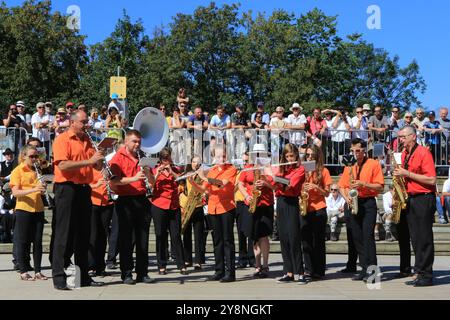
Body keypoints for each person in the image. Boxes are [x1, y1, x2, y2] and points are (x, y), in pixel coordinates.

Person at [51, 110, 105, 290]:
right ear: (72, 122)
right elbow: (63, 165)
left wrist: (99, 159)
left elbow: (94, 164)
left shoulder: (87, 140)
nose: (86, 124)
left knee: (84, 234)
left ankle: (83, 278)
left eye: (87, 121)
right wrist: (90, 161)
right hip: (66, 188)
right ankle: (59, 278)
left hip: (83, 188)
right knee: (63, 233)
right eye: (83, 121)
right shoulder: (62, 139)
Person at [109, 130, 154, 285]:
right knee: (126, 239)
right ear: (126, 141)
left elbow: (153, 183)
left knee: (143, 238)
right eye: (134, 141)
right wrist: (134, 178)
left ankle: (143, 272)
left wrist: (148, 173)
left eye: (139, 142)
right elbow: (113, 181)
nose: (137, 145)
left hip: (142, 199)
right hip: (125, 200)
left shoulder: (142, 157)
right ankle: (126, 273)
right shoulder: (117, 158)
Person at [394, 125, 436, 287]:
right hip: (410, 198)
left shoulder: (423, 153)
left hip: (424, 198)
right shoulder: (405, 153)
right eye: (400, 137)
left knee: (424, 237)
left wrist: (407, 174)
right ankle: (419, 270)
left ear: (413, 136)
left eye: (403, 137)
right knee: (416, 238)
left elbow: (432, 180)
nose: (401, 140)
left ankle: (427, 274)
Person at [189, 144, 237, 282]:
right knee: (217, 241)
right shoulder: (212, 170)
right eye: (218, 156)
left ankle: (230, 273)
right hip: (213, 208)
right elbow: (204, 190)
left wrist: (203, 177)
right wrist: (193, 182)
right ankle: (219, 271)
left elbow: (221, 183)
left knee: (228, 240)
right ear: (213, 157)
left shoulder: (231, 169)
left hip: (226, 207)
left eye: (223, 156)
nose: (221, 158)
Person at [338, 138, 384, 282]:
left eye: (358, 150)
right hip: (353, 203)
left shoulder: (373, 164)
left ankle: (373, 273)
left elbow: (380, 186)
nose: (355, 153)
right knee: (357, 238)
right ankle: (364, 269)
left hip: (368, 202)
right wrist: (347, 198)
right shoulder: (349, 165)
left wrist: (363, 184)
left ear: (364, 150)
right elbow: (341, 186)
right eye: (352, 150)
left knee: (368, 237)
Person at [10, 146, 47, 281]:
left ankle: (38, 270)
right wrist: (34, 189)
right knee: (23, 241)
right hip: (23, 209)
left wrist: (42, 189)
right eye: (31, 156)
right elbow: (15, 193)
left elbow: (39, 189)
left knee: (38, 241)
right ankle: (24, 271)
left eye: (36, 156)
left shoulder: (37, 170)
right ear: (23, 156)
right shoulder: (17, 171)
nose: (34, 159)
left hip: (38, 208)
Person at [238, 144, 275, 279]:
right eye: (256, 154)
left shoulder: (268, 168)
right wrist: (246, 195)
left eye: (260, 154)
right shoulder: (247, 168)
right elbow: (240, 184)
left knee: (264, 236)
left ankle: (265, 265)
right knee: (254, 237)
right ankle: (257, 265)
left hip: (265, 204)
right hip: (251, 203)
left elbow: (275, 186)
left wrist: (265, 183)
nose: (258, 157)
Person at [150, 148, 188, 275]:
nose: (167, 161)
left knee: (176, 235)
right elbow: (149, 185)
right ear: (160, 160)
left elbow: (182, 182)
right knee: (160, 235)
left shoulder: (176, 170)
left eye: (169, 159)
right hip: (159, 205)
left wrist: (172, 172)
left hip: (173, 206)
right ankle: (162, 264)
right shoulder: (155, 170)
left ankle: (181, 264)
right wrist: (157, 174)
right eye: (165, 159)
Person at [273, 143, 307, 284]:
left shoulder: (300, 169)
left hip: (292, 202)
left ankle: (300, 272)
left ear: (296, 155)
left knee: (293, 237)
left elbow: (290, 184)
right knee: (284, 238)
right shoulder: (282, 169)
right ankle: (288, 272)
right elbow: (274, 184)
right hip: (281, 202)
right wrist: (270, 177)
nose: (288, 159)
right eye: (286, 156)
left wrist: (275, 177)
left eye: (291, 156)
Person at [300, 144, 332, 280]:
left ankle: (319, 270)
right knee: (305, 240)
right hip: (305, 207)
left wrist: (316, 187)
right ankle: (308, 269)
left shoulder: (324, 171)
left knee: (318, 241)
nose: (309, 157)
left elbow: (327, 193)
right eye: (307, 155)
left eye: (312, 155)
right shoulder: (302, 170)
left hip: (319, 208)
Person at [179, 156, 205, 270]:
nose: (196, 164)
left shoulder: (203, 175)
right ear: (191, 163)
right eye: (194, 162)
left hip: (198, 206)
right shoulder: (186, 174)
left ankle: (198, 261)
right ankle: (187, 259)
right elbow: (180, 189)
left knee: (198, 235)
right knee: (186, 234)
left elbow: (204, 190)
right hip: (186, 206)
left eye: (198, 163)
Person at [88, 167, 115, 277]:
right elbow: (83, 185)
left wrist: (110, 181)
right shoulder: (89, 169)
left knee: (103, 236)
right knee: (92, 236)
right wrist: (96, 185)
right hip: (93, 202)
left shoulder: (108, 169)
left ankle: (100, 266)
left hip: (107, 203)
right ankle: (90, 266)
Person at [233, 152, 255, 268]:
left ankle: (252, 257)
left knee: (250, 230)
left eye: (246, 161)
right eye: (243, 161)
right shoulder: (237, 172)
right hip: (239, 202)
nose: (244, 163)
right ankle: (242, 257)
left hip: (249, 201)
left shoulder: (251, 171)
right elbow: (232, 188)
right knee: (241, 231)